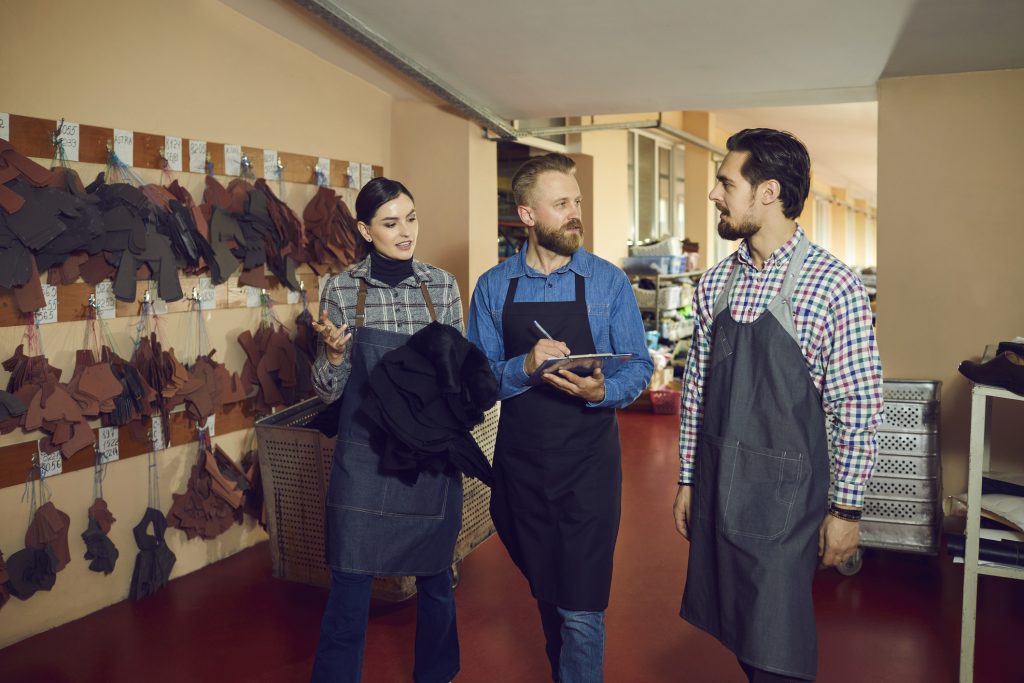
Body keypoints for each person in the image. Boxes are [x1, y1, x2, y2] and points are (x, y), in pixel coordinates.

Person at [673, 128, 884, 682]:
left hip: (786, 504)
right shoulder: (715, 283)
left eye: (724, 183)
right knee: (740, 628)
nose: (714, 195)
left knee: (777, 646)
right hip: (719, 485)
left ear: (768, 192)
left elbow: (857, 408)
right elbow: (695, 391)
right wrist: (688, 478)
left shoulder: (830, 285)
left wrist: (846, 512)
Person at [467, 153, 653, 682]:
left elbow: (639, 365)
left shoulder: (607, 283)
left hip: (589, 465)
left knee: (581, 602)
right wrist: (524, 367)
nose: (576, 214)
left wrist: (601, 389)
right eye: (563, 204)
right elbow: (474, 380)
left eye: (578, 202)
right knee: (551, 590)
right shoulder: (492, 287)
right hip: (522, 468)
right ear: (527, 215)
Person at [310, 177, 464, 683]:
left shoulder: (441, 285)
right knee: (350, 580)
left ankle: (436, 676)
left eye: (411, 219)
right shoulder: (340, 289)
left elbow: (458, 377)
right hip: (364, 457)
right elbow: (329, 393)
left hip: (427, 456)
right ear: (364, 229)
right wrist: (334, 355)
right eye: (391, 223)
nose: (406, 232)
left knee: (437, 579)